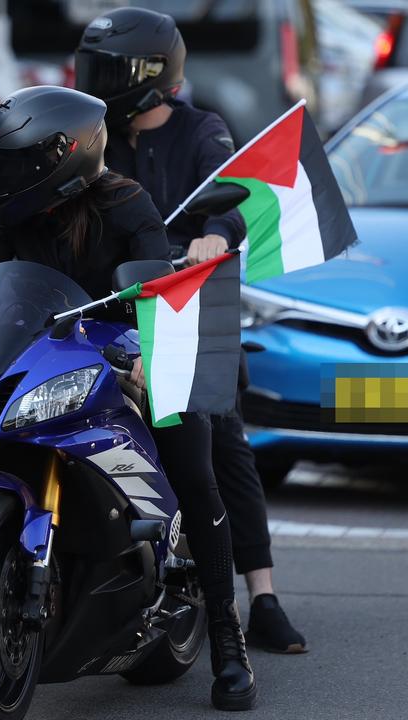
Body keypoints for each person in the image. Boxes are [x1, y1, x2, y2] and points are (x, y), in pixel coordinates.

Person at [0, 85, 256, 711]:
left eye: (15, 161)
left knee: (195, 473)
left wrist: (144, 340)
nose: (1, 175)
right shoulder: (9, 217)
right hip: (44, 364)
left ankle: (226, 635)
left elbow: (156, 285)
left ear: (62, 158)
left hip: (126, 359)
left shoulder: (127, 204)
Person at [75, 7, 307, 655]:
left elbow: (229, 190)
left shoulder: (200, 130)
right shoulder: (92, 134)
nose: (90, 81)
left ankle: (259, 595)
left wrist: (214, 235)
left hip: (186, 302)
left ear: (149, 75)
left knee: (222, 437)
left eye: (104, 71)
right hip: (106, 304)